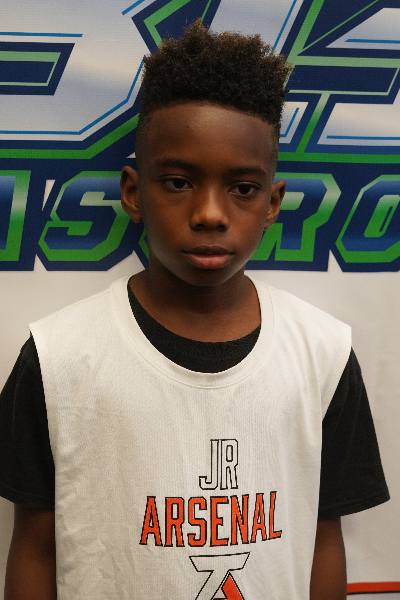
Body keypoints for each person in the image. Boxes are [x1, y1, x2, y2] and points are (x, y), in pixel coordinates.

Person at [0, 20, 389, 600]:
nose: (209, 213)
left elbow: (323, 539)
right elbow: (35, 546)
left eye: (243, 188)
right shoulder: (59, 358)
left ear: (273, 203)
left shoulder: (322, 353)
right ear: (133, 192)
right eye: (179, 182)